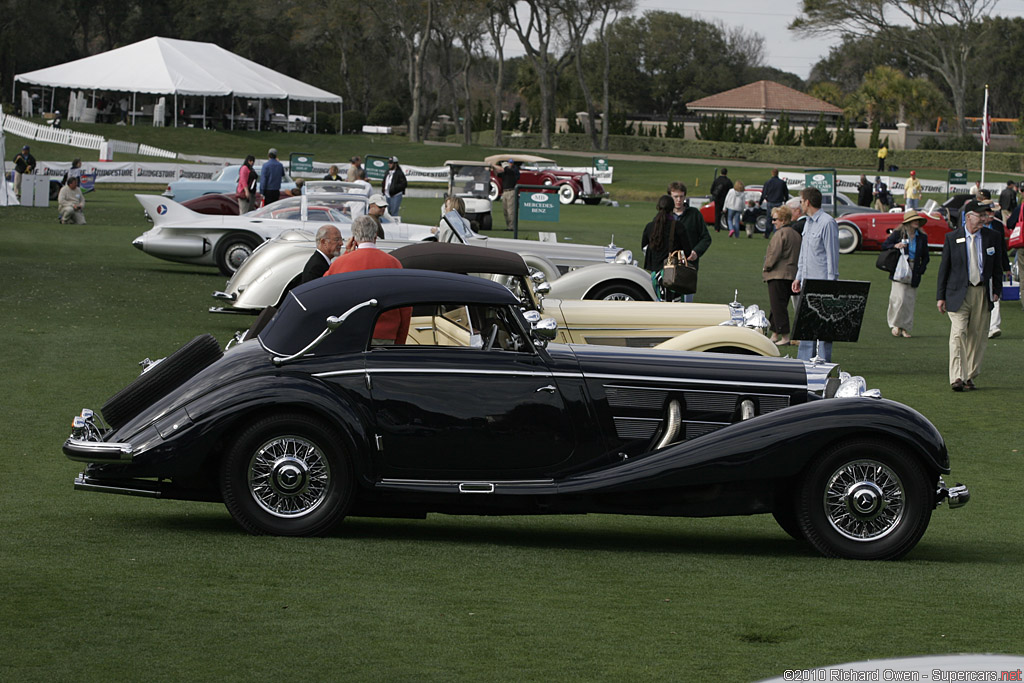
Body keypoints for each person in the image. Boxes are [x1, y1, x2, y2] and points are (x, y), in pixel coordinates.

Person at [937, 200, 1002, 391]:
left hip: (983, 292)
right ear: (968, 217)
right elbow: (944, 268)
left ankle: (969, 376)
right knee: (958, 334)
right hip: (957, 293)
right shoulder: (952, 237)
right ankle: (957, 376)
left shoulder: (993, 237)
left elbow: (997, 266)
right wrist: (940, 296)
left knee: (977, 336)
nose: (983, 219)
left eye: (985, 215)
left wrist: (997, 290)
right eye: (980, 215)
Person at [324, 215, 410, 345]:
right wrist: (400, 341)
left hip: (349, 332)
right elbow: (405, 308)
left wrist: (347, 253)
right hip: (384, 335)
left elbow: (324, 290)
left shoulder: (340, 263)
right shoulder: (394, 264)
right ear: (375, 236)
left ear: (354, 238)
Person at [792, 187, 839, 362]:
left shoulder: (827, 223)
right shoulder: (808, 222)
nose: (800, 204)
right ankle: (803, 365)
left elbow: (832, 256)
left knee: (823, 330)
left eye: (801, 201)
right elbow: (804, 253)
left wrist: (831, 286)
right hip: (807, 283)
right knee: (806, 328)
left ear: (807, 202)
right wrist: (798, 276)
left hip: (822, 284)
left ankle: (823, 365)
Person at [882, 210, 931, 338]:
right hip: (900, 267)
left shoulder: (922, 237)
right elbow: (885, 245)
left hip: (914, 268)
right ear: (908, 222)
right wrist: (895, 245)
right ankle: (895, 324)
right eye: (914, 220)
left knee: (909, 300)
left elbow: (926, 256)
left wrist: (921, 269)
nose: (916, 222)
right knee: (899, 298)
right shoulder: (899, 234)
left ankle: (905, 327)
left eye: (917, 220)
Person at [762, 204, 802, 346]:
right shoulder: (796, 234)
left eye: (775, 219)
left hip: (778, 275)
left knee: (778, 306)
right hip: (791, 274)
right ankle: (775, 334)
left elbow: (774, 254)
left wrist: (766, 267)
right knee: (777, 305)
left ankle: (784, 336)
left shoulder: (780, 234)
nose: (773, 222)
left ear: (784, 220)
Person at [665, 181, 712, 301]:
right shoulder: (665, 215)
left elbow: (706, 238)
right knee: (667, 301)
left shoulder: (694, 214)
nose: (679, 200)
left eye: (681, 196)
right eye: (675, 197)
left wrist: (696, 252)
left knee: (686, 303)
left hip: (688, 266)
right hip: (668, 264)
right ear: (670, 197)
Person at [759, 169, 789, 237]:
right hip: (778, 202)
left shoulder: (768, 182)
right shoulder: (782, 183)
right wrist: (785, 200)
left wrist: (760, 202)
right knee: (777, 218)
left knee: (769, 218)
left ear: (772, 173)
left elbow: (764, 193)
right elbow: (786, 193)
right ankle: (776, 233)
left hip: (770, 202)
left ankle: (767, 234)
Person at [492, 158, 520, 229]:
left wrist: (493, 165)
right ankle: (508, 226)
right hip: (505, 192)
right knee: (505, 211)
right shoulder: (506, 172)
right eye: (509, 163)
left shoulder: (513, 171)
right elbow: (497, 174)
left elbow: (506, 169)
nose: (510, 164)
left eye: (511, 163)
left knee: (511, 211)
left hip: (511, 191)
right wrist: (493, 168)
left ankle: (512, 227)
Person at [709, 168, 733, 232]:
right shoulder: (728, 181)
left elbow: (711, 190)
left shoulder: (716, 181)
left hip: (717, 200)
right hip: (726, 200)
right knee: (726, 215)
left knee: (717, 214)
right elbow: (731, 191)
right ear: (726, 173)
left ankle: (717, 228)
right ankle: (729, 227)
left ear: (720, 172)